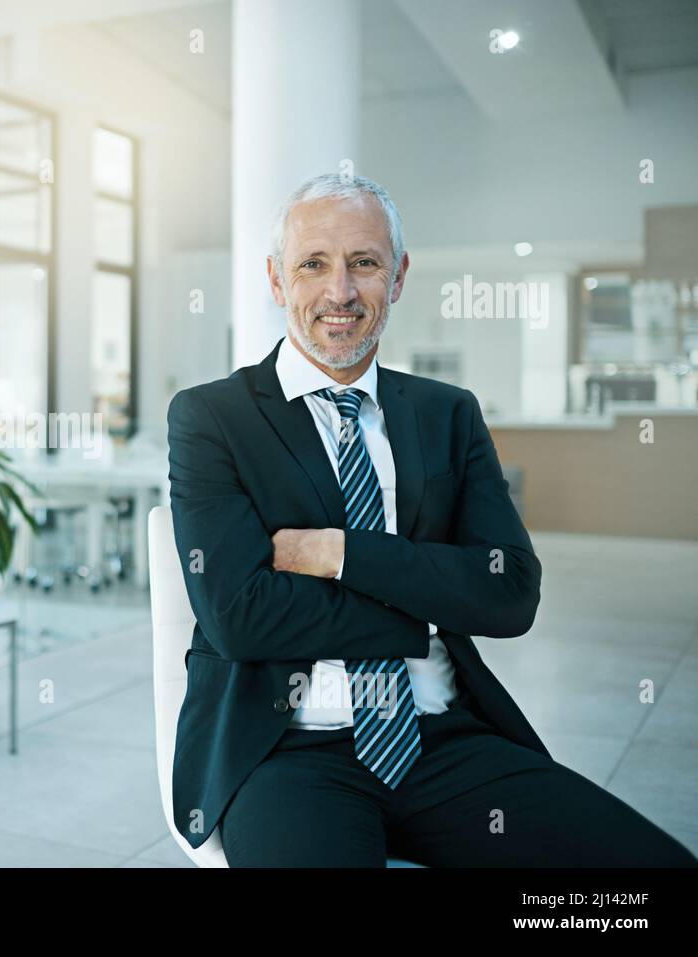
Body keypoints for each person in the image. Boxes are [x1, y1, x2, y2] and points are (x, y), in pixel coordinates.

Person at [165, 172, 697, 867]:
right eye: (313, 264)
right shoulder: (214, 418)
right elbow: (239, 613)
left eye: (365, 262)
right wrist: (423, 612)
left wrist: (340, 553)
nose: (341, 291)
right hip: (287, 748)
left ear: (400, 274)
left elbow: (508, 593)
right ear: (275, 280)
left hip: (443, 738)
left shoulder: (447, 413)